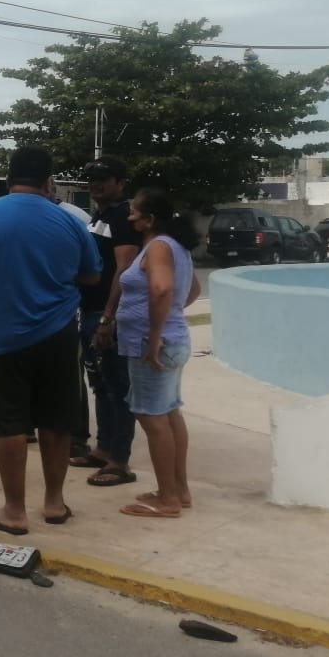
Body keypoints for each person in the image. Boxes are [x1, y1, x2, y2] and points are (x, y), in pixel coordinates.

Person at [0, 146, 101, 536]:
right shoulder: (70, 221)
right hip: (61, 334)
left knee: (8, 423)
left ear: (9, 179)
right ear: (49, 181)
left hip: (4, 337)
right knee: (56, 420)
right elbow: (92, 276)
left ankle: (14, 511)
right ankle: (54, 503)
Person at [116, 187, 201, 518]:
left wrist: (154, 334)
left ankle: (167, 500)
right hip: (172, 339)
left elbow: (163, 288)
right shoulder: (174, 246)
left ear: (149, 219)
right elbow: (191, 289)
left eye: (134, 211)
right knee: (169, 413)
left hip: (153, 345)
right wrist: (172, 317)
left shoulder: (159, 247)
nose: (130, 216)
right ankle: (178, 490)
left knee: (152, 419)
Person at [71, 158, 143, 489]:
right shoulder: (97, 216)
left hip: (107, 315)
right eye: (91, 178)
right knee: (100, 384)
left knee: (117, 389)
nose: (95, 184)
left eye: (103, 178)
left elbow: (124, 269)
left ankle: (120, 462)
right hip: (90, 312)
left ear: (120, 183)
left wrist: (108, 317)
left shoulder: (122, 218)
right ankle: (102, 450)